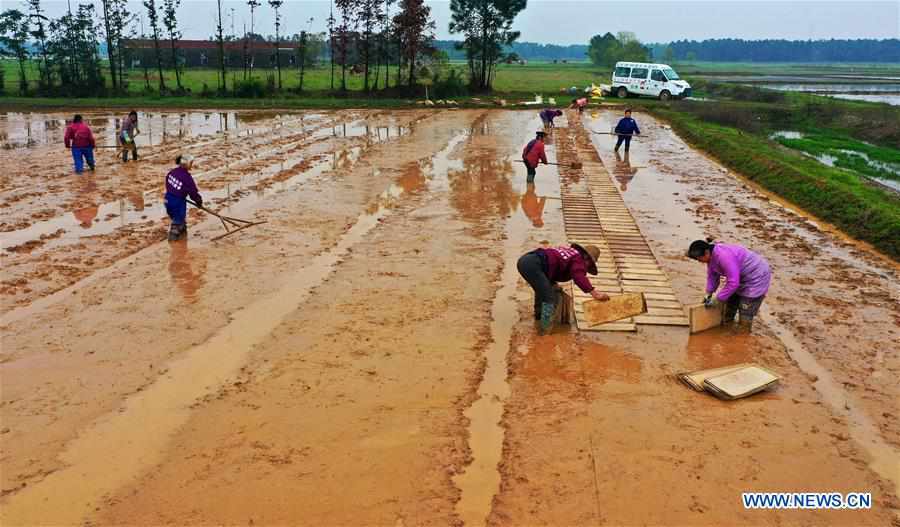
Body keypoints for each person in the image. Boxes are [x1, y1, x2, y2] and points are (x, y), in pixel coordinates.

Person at [517, 243, 610, 334]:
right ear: (587, 258)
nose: (586, 268)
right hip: (534, 265)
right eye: (589, 265)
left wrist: (555, 286)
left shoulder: (571, 253)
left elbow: (551, 265)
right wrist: (594, 293)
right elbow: (579, 276)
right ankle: (544, 330)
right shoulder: (579, 259)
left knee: (543, 292)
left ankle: (538, 318)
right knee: (549, 299)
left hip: (526, 260)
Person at [687, 238, 771, 333]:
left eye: (699, 258)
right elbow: (712, 276)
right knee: (730, 305)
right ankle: (727, 327)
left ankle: (743, 333)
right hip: (740, 277)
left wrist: (718, 299)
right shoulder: (711, 257)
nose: (699, 261)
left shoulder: (724, 257)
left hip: (756, 278)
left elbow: (733, 283)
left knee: (745, 310)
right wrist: (708, 293)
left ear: (706, 252)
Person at [165, 154, 203, 241]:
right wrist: (198, 200)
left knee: (178, 218)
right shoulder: (187, 177)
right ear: (187, 164)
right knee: (177, 222)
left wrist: (177, 192)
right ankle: (175, 246)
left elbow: (167, 184)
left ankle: (183, 234)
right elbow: (193, 192)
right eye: (191, 163)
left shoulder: (171, 172)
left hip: (167, 199)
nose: (192, 165)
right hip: (177, 202)